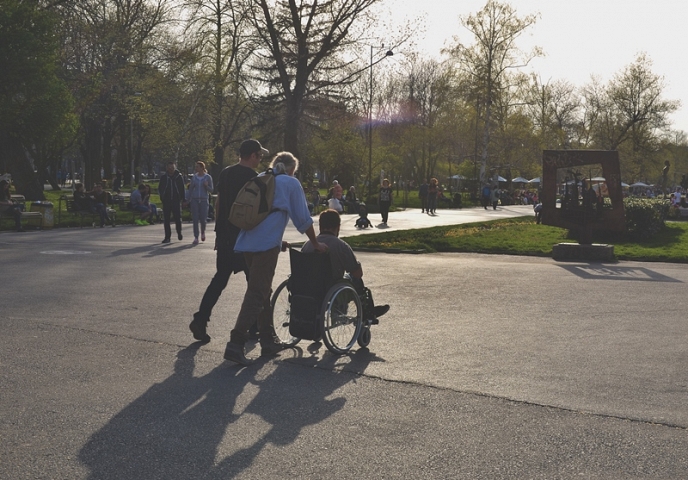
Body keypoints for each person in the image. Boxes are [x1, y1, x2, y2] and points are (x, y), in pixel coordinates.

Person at [224, 151, 326, 366]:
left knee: (263, 291)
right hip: (265, 245)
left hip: (247, 243)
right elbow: (303, 220)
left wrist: (280, 242)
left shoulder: (262, 177)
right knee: (257, 292)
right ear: (292, 169)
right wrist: (316, 244)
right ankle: (236, 342)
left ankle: (268, 340)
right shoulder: (290, 183)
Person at [189, 139, 265, 343]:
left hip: (225, 235)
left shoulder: (226, 173)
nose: (261, 159)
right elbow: (256, 212)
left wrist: (218, 232)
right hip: (245, 237)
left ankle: (201, 319)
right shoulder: (255, 179)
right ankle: (255, 326)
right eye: (260, 155)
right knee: (254, 283)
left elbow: (219, 203)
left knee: (219, 279)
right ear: (253, 156)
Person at [302, 209, 389, 322]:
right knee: (355, 279)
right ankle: (367, 313)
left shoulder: (307, 245)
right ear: (338, 227)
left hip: (307, 288)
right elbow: (358, 273)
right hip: (330, 288)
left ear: (320, 227)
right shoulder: (340, 246)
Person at [158, 161, 186, 243]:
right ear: (167, 168)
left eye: (172, 168)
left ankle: (179, 232)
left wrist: (182, 199)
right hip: (166, 201)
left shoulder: (178, 177)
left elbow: (182, 189)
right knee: (166, 219)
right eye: (169, 168)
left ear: (175, 168)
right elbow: (160, 188)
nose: (171, 169)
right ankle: (167, 237)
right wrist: (162, 197)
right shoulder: (164, 177)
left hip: (176, 200)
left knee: (177, 218)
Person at [188, 161, 214, 244]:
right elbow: (191, 189)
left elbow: (211, 190)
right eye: (196, 167)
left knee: (203, 219)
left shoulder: (208, 177)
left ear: (202, 168)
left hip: (203, 200)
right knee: (195, 219)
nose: (196, 168)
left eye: (197, 167)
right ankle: (196, 237)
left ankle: (203, 231)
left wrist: (207, 186)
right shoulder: (194, 177)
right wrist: (188, 199)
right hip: (195, 200)